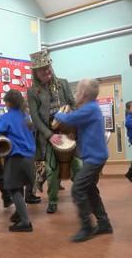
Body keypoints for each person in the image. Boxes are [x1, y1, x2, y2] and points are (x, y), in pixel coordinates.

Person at [54, 79, 112, 242]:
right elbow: (82, 126)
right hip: (94, 156)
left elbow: (67, 119)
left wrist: (57, 114)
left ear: (84, 95)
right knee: (89, 189)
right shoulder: (90, 108)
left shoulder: (89, 108)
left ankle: (87, 226)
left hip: (95, 158)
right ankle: (104, 223)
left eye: (77, 92)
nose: (75, 95)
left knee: (77, 189)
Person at [27, 50, 81, 214]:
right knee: (51, 171)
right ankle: (52, 201)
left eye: (48, 67)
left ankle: (83, 195)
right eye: (42, 69)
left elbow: (73, 104)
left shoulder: (63, 84)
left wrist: (71, 124)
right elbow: (35, 118)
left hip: (68, 131)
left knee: (78, 166)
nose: (47, 71)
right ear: (35, 73)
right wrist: (50, 136)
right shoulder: (32, 92)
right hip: (49, 135)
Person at [0, 89, 36, 232]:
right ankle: (19, 214)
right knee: (20, 186)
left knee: (14, 189)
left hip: (16, 157)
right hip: (30, 156)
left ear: (7, 103)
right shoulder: (26, 116)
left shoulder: (6, 118)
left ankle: (25, 222)